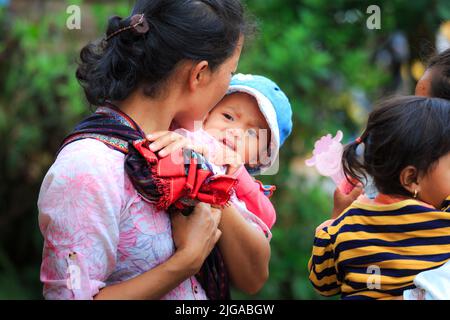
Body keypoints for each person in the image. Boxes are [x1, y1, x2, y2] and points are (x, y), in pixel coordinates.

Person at [38, 0, 271, 300]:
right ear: (199, 74)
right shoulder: (90, 165)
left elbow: (254, 277)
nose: (227, 87)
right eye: (230, 72)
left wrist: (206, 185)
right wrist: (185, 262)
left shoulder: (194, 148)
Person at [309, 96, 450, 299]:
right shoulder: (442, 224)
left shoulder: (344, 227)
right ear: (411, 178)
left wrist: (336, 219)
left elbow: (323, 284)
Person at [147, 74, 293, 230]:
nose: (235, 131)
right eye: (228, 117)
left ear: (259, 158)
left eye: (252, 134)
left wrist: (238, 174)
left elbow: (268, 218)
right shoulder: (189, 135)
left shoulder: (243, 185)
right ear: (206, 116)